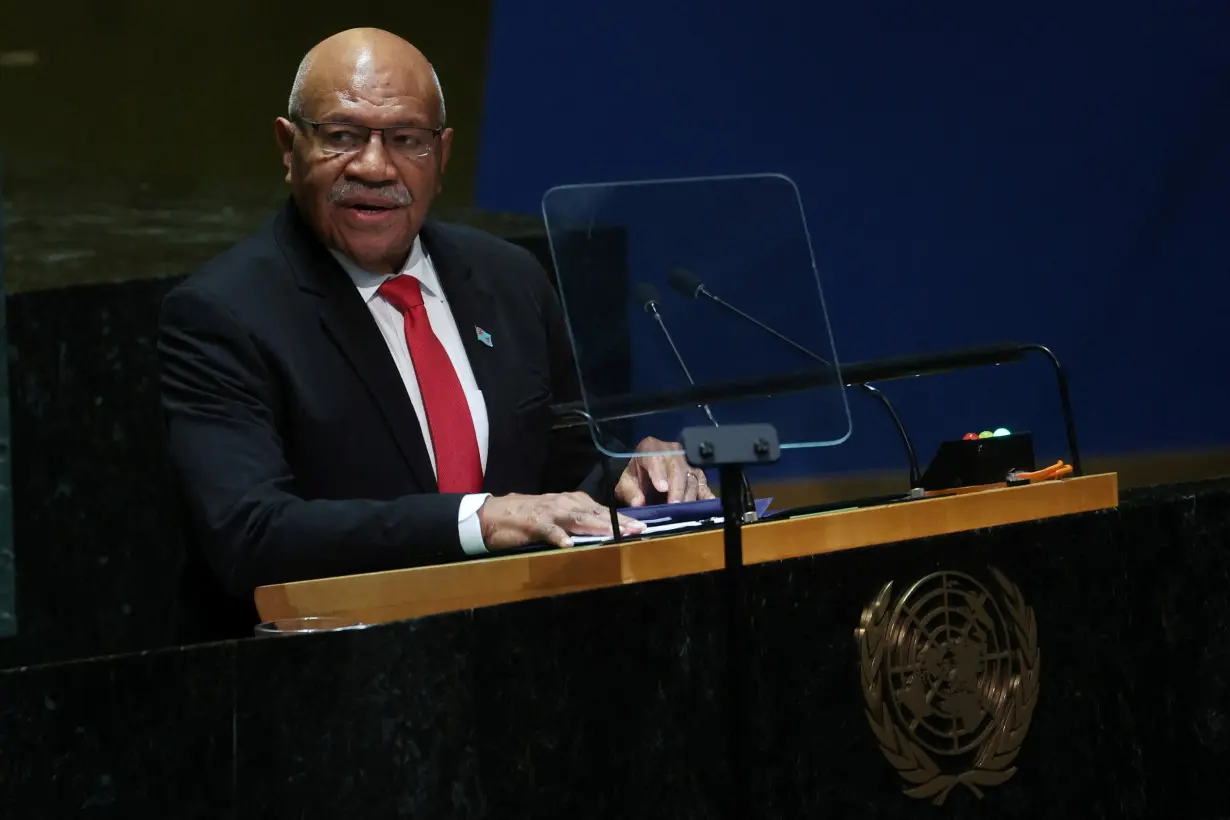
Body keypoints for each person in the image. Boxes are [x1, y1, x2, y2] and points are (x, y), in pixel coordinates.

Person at [158, 28, 714, 606]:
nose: (375, 168)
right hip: (341, 662)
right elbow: (250, 536)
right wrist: (479, 521)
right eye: (343, 136)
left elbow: (569, 472)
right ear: (288, 147)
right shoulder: (224, 313)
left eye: (406, 139)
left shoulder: (509, 278)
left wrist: (628, 472)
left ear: (442, 155)